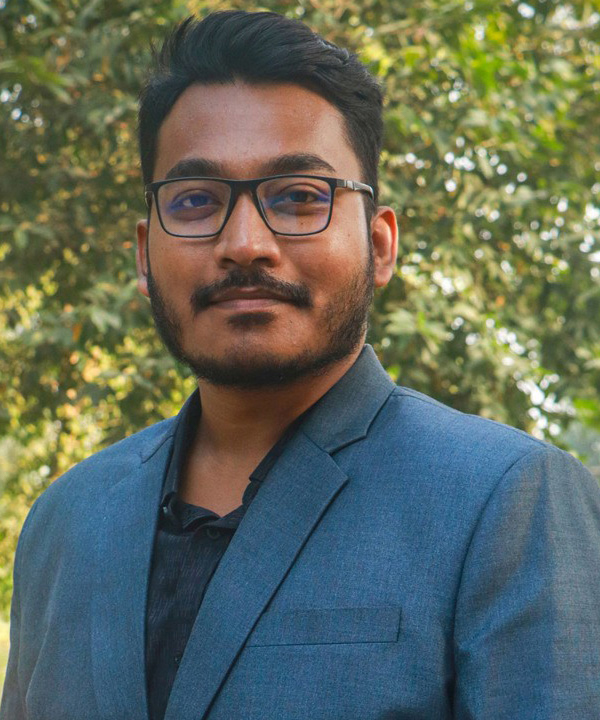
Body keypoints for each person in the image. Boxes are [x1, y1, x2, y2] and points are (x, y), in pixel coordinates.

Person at [2, 10, 600, 720]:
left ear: (380, 244)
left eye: (298, 198)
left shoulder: (507, 500)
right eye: (195, 201)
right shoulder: (66, 521)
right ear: (143, 253)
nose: (244, 243)